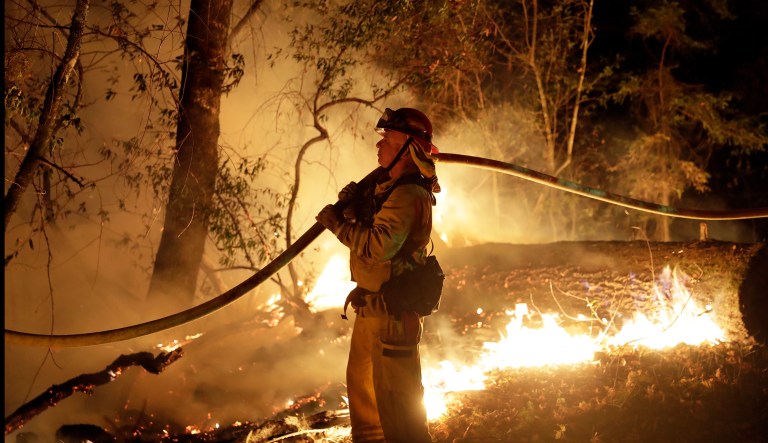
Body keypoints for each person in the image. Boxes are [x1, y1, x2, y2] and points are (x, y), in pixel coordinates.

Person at [315, 107, 441, 443]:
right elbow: (374, 227)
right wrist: (356, 208)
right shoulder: (389, 189)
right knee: (367, 410)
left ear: (408, 147)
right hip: (371, 310)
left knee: (401, 415)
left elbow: (377, 246)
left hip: (394, 316)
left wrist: (338, 224)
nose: (379, 145)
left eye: (387, 138)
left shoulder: (409, 194)